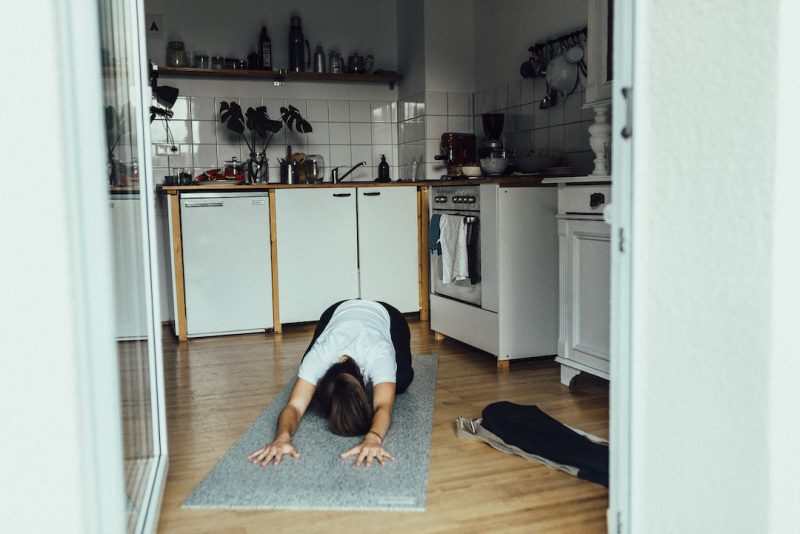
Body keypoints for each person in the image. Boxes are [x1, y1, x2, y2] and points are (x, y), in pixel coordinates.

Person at [248, 299, 414, 468]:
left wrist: (374, 437)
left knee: (401, 382)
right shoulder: (318, 357)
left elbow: (383, 406)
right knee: (308, 386)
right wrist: (281, 437)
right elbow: (295, 406)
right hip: (336, 312)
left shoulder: (379, 354)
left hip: (387, 315)